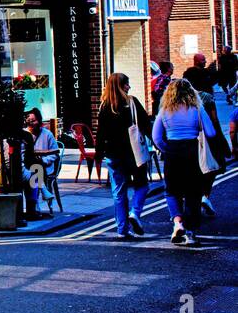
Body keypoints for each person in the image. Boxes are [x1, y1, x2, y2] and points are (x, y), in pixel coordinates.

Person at [152, 80, 217, 246]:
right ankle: (190, 233)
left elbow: (157, 138)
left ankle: (178, 223)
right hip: (191, 151)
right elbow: (210, 132)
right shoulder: (197, 108)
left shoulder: (164, 110)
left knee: (172, 190)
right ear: (191, 92)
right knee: (193, 193)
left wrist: (167, 149)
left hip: (172, 152)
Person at [94, 72, 152, 238]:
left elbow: (101, 134)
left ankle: (122, 230)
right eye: (127, 84)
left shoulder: (104, 106)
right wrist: (157, 143)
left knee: (119, 192)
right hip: (134, 154)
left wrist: (99, 154)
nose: (129, 87)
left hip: (113, 154)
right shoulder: (131, 102)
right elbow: (146, 125)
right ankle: (135, 212)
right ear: (121, 86)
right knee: (142, 185)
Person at [197, 89, 230, 216]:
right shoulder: (207, 97)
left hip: (190, 141)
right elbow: (214, 119)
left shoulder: (184, 99)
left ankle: (196, 202)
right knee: (212, 169)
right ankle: (205, 196)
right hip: (209, 140)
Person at [22, 108, 61, 215]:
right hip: (29, 166)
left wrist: (44, 160)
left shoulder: (47, 134)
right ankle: (41, 193)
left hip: (45, 166)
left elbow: (55, 154)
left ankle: (34, 204)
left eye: (33, 121)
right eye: (29, 121)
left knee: (35, 168)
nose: (31, 123)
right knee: (33, 170)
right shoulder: (23, 134)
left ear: (39, 121)